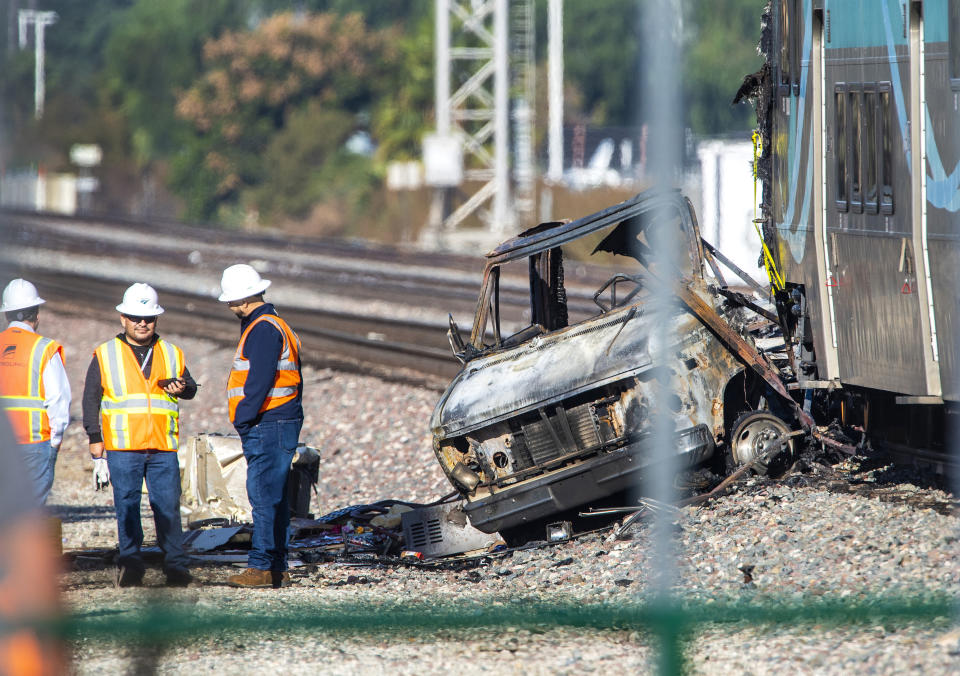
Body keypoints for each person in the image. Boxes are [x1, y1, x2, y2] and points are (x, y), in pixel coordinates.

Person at [82, 283, 196, 587]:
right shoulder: (106, 353)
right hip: (123, 446)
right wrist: (95, 438)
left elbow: (191, 388)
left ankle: (176, 566)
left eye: (148, 318)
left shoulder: (171, 352)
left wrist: (183, 389)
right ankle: (131, 564)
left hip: (162, 446)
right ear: (123, 318)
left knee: (168, 507)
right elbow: (91, 398)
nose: (142, 323)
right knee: (128, 507)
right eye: (135, 317)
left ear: (157, 319)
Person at [218, 264, 303, 589]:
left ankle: (261, 567)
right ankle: (277, 566)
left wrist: (243, 417)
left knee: (263, 496)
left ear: (241, 299)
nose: (228, 306)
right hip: (279, 420)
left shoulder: (263, 329)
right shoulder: (274, 323)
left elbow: (260, 381)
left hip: (268, 422)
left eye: (230, 300)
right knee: (276, 497)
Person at [0, 279, 71, 505]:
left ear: (6, 315)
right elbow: (58, 399)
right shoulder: (44, 348)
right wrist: (56, 440)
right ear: (37, 315)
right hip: (34, 443)